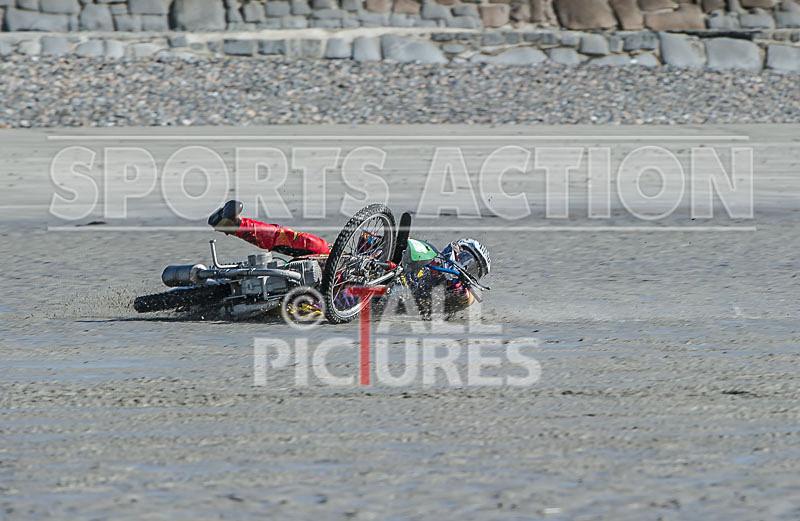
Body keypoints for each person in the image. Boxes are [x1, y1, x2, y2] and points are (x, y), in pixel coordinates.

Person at [208, 200, 491, 316]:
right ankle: (234, 224)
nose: (465, 264)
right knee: (307, 242)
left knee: (326, 304)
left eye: (472, 265)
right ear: (454, 247)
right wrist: (373, 245)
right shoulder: (426, 250)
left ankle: (293, 307)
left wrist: (455, 277)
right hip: (352, 267)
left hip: (370, 302)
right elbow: (379, 244)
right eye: (465, 256)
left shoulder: (458, 293)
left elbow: (462, 300)